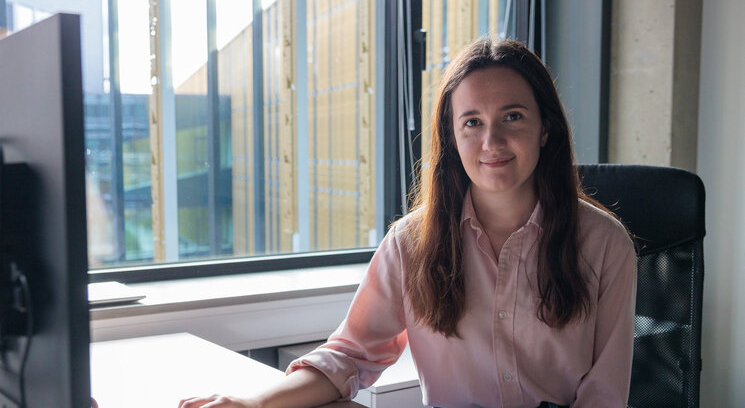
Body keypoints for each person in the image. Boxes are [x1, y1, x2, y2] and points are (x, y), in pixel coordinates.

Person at [178, 37, 637, 408]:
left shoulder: (604, 244)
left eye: (512, 117)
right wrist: (255, 404)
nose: (491, 140)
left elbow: (604, 396)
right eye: (472, 122)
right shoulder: (413, 244)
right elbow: (349, 356)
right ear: (452, 138)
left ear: (545, 128)